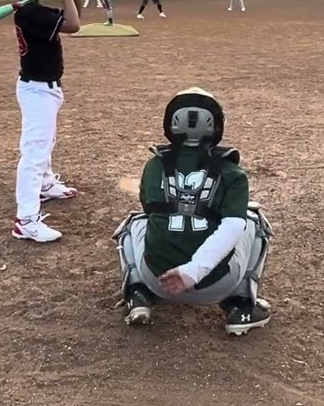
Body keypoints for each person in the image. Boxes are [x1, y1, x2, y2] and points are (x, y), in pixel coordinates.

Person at [112, 87, 273, 336]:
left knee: (135, 222)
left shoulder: (155, 165)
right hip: (217, 284)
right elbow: (230, 228)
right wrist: (193, 270)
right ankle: (240, 305)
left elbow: (150, 209)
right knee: (252, 221)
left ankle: (138, 293)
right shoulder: (232, 173)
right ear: (216, 126)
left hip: (159, 281)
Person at [8, 0, 82, 243]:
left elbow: (73, 19)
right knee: (35, 150)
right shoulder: (30, 14)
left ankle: (45, 183)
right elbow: (74, 26)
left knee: (46, 140)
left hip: (44, 87)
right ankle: (26, 220)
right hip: (37, 89)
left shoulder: (33, 10)